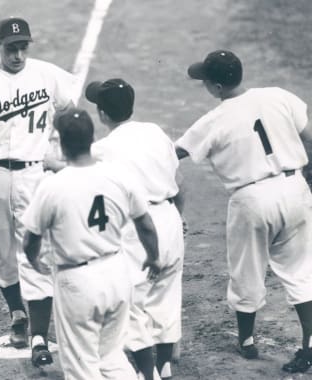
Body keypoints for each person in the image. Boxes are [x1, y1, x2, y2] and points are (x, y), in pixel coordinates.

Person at [175, 50, 312, 373]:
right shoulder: (278, 96)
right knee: (302, 271)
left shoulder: (213, 119)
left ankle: (247, 342)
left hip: (250, 200)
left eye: (206, 81)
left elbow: (175, 153)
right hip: (294, 189)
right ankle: (310, 345)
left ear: (217, 87)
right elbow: (310, 137)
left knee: (246, 271)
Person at [0, 16, 76, 365]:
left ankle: (38, 335)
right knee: (2, 249)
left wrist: (59, 147)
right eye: (11, 48)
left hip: (35, 174)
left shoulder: (49, 75)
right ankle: (17, 313)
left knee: (35, 249)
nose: (18, 55)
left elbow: (69, 111)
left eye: (23, 47)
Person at [22, 107, 162, 380]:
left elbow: (30, 240)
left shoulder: (53, 186)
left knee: (81, 366)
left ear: (61, 144)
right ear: (90, 138)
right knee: (110, 357)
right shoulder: (118, 176)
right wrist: (153, 256)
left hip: (78, 282)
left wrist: (34, 261)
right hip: (117, 274)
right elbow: (145, 223)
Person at [85, 78, 185, 380]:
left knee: (132, 301)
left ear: (102, 114)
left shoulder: (102, 148)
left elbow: (70, 169)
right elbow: (180, 185)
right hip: (169, 217)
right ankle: (164, 364)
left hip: (137, 228)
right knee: (167, 293)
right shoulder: (155, 131)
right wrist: (176, 219)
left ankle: (145, 372)